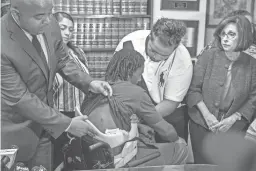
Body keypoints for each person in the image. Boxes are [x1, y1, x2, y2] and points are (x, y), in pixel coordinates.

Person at [1, 0, 112, 170]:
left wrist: (89, 82)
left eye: (50, 12)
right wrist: (67, 124)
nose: (48, 21)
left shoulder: (49, 22)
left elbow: (62, 59)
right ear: (16, 14)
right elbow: (21, 98)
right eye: (40, 16)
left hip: (45, 132)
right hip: (15, 133)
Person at [81, 45, 188, 166]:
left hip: (90, 158)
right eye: (139, 75)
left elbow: (106, 121)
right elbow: (165, 131)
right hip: (119, 160)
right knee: (181, 149)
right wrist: (178, 140)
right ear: (129, 73)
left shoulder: (96, 86)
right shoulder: (136, 93)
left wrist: (139, 126)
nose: (138, 80)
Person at [186, 15, 256, 164]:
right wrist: (208, 116)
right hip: (201, 123)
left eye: (231, 35)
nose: (225, 38)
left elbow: (253, 98)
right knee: (203, 166)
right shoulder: (207, 56)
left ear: (243, 36)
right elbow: (193, 90)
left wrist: (233, 118)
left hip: (234, 126)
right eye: (223, 34)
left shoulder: (252, 64)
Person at [115, 18, 193, 141]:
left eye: (164, 55)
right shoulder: (129, 44)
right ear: (150, 35)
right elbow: (119, 85)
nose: (156, 57)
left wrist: (141, 118)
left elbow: (171, 103)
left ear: (174, 48)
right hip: (131, 111)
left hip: (168, 114)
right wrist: (133, 121)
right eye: (153, 50)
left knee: (170, 153)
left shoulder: (183, 60)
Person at [51, 12, 90, 169]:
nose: (68, 32)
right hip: (58, 117)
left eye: (71, 29)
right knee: (58, 161)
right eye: (63, 28)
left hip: (79, 115)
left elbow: (85, 80)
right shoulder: (47, 54)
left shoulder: (77, 52)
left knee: (77, 162)